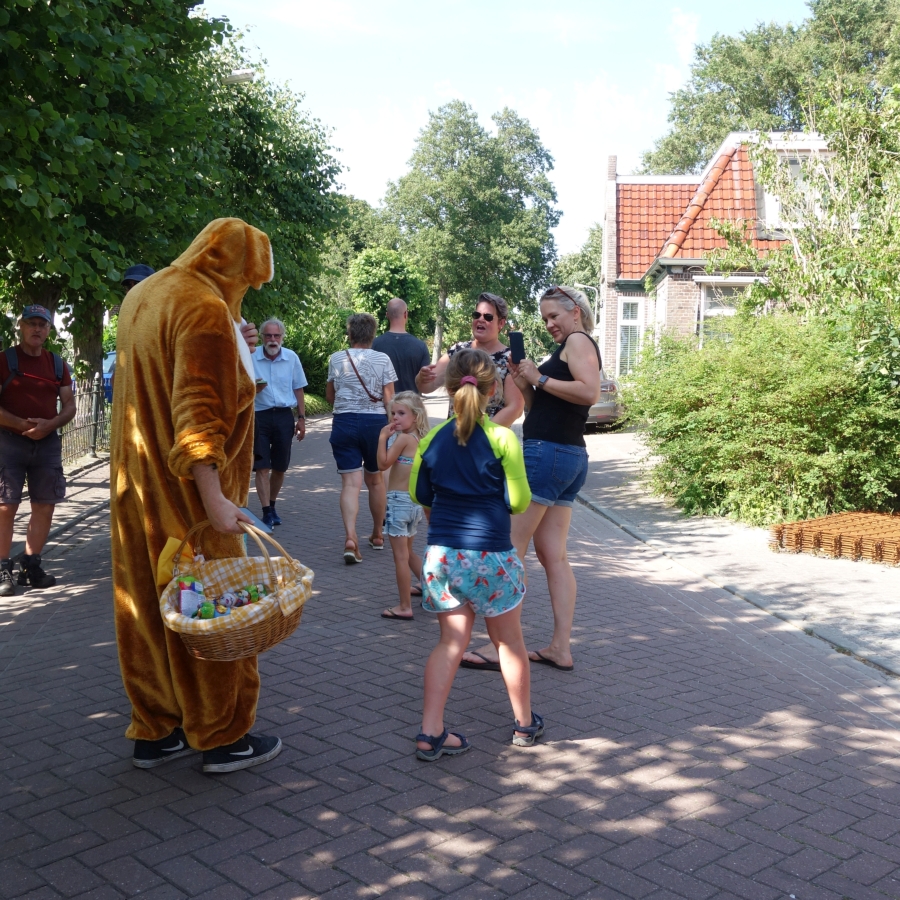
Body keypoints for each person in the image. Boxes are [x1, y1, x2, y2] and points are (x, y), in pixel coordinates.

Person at [111, 217, 282, 773]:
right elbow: (199, 416)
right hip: (189, 497)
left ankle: (156, 730)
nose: (248, 292)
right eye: (249, 281)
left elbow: (167, 371)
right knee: (214, 611)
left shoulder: (144, 294)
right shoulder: (203, 307)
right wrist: (215, 500)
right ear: (233, 267)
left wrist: (236, 338)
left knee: (145, 606)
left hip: (136, 488)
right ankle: (221, 732)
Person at [410, 348, 543, 761]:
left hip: (443, 558)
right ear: (493, 391)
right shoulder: (502, 438)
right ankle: (524, 725)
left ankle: (430, 733)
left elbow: (420, 496)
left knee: (450, 642)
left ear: (450, 390)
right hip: (493, 558)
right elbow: (520, 502)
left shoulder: (430, 439)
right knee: (509, 643)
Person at [461, 286, 602, 673]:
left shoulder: (578, 340)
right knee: (552, 555)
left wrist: (539, 378)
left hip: (549, 454)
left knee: (510, 547)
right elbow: (548, 403)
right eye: (544, 319)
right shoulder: (568, 347)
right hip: (569, 455)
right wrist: (523, 380)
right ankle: (560, 647)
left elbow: (589, 392)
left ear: (575, 311)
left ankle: (501, 647)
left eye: (554, 316)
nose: (550, 324)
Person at [0, 305, 76, 597]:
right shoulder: (4, 361)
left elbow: (69, 404)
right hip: (8, 442)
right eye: (31, 324)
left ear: (48, 329)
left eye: (42, 325)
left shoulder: (57, 364)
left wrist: (50, 425)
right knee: (6, 505)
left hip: (46, 443)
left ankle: (31, 566)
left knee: (45, 504)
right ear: (20, 326)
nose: (37, 329)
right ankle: (3, 567)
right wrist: (21, 424)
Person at [326, 313, 397, 564]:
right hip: (374, 424)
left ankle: (350, 538)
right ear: (372, 334)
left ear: (350, 333)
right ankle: (377, 535)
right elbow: (390, 398)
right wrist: (393, 425)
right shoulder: (383, 359)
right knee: (376, 481)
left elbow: (330, 396)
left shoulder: (336, 358)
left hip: (344, 423)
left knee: (350, 484)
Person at [416, 292, 524, 426]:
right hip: (456, 438)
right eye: (476, 315)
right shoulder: (457, 351)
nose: (480, 319)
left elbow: (515, 407)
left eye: (488, 317)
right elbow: (426, 387)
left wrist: (481, 436)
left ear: (501, 323)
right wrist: (421, 378)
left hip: (489, 442)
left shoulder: (510, 359)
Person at [377, 392, 430, 621]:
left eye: (401, 413)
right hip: (414, 501)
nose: (395, 418)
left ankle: (404, 606)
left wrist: (381, 438)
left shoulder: (403, 439)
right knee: (407, 552)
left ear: (415, 416)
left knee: (399, 556)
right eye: (393, 413)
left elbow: (382, 463)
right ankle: (430, 588)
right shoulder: (420, 437)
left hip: (399, 501)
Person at [252, 318, 307, 528]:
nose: (272, 340)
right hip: (259, 417)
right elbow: (238, 387)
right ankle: (266, 511)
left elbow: (298, 389)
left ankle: (272, 505)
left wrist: (301, 419)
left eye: (276, 336)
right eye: (268, 336)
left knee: (280, 467)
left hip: (284, 416)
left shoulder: (291, 357)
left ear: (282, 337)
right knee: (262, 467)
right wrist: (252, 389)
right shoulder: (250, 357)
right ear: (262, 337)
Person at [372, 298, 430, 394]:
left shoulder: (374, 345)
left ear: (387, 315)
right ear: (406, 314)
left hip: (383, 406)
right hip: (410, 405)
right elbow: (425, 384)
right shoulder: (420, 346)